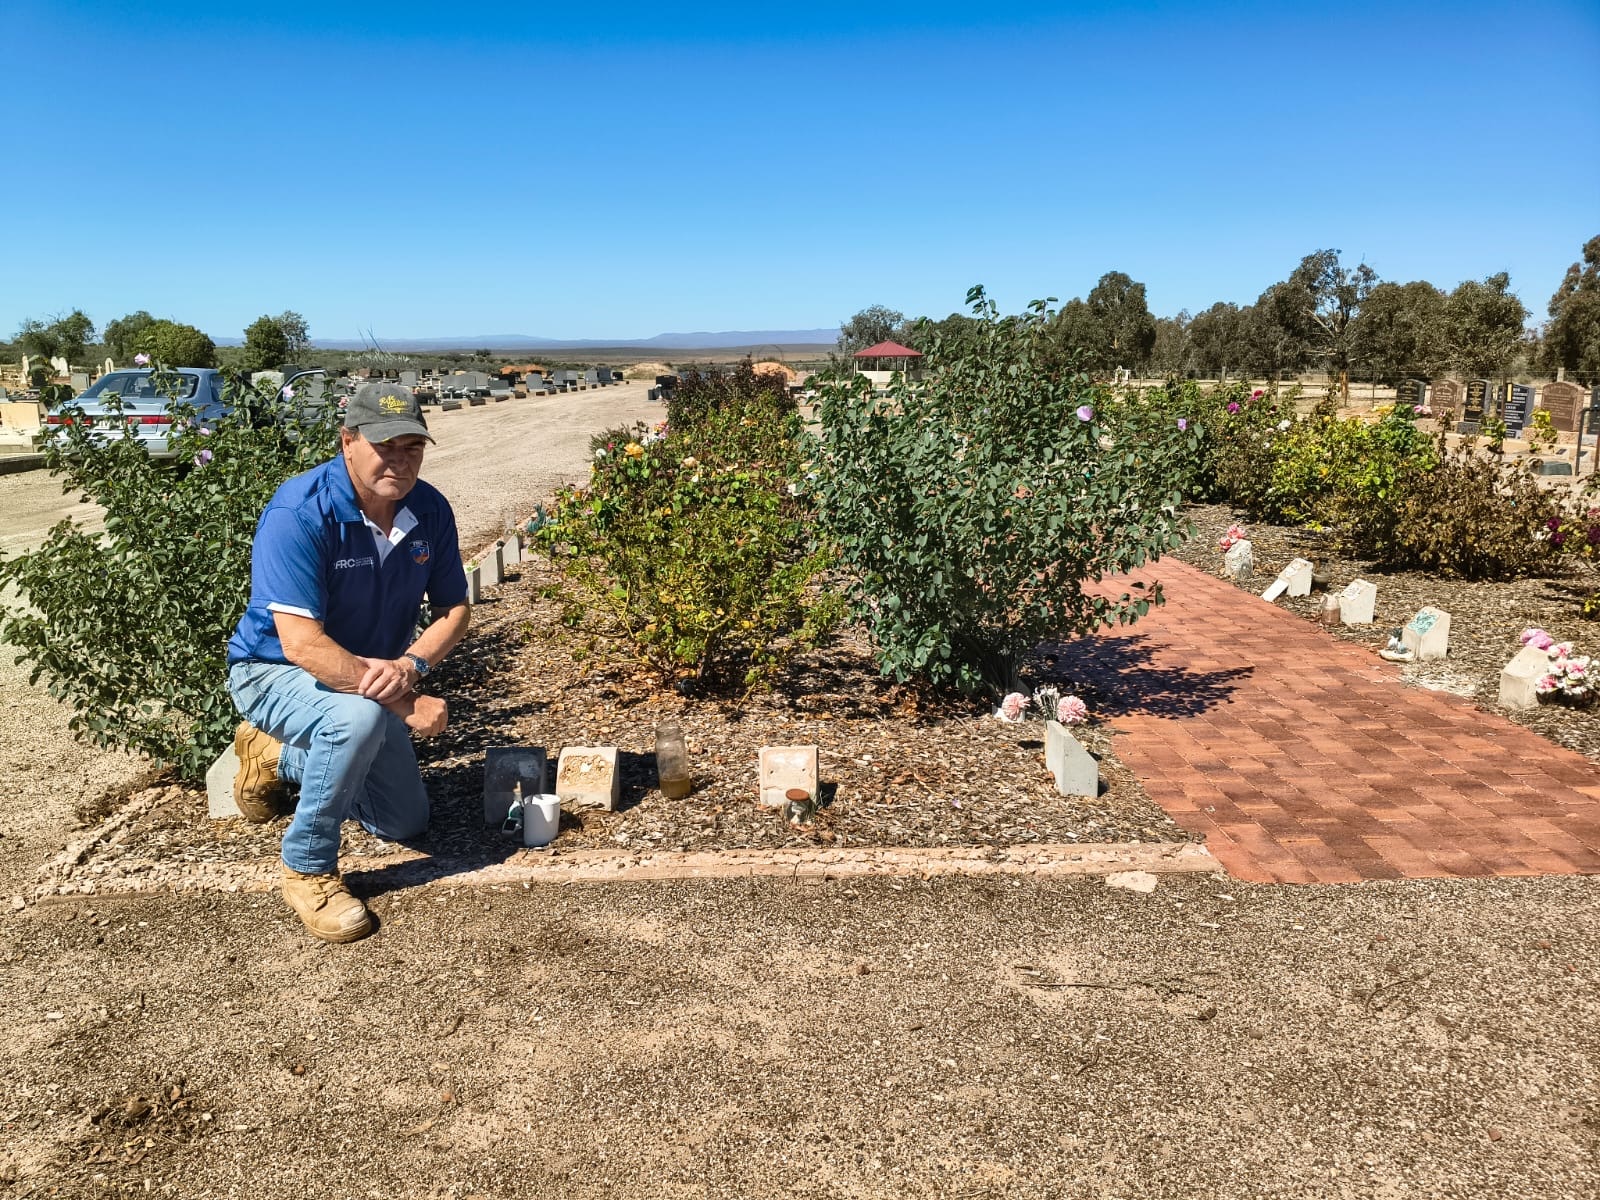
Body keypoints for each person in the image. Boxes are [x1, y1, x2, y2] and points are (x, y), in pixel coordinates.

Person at [225, 382, 470, 942]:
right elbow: (301, 644)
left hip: (370, 679)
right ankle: (307, 870)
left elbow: (455, 609)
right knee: (352, 721)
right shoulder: (300, 511)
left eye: (413, 447)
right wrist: (405, 701)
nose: (400, 461)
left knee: (405, 824)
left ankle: (276, 756)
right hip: (275, 671)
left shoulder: (429, 508)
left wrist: (412, 666)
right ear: (348, 442)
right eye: (386, 445)